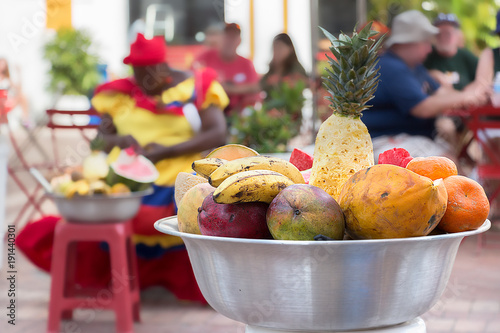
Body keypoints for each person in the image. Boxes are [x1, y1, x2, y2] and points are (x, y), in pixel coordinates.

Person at [16, 34, 229, 303]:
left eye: (146, 74)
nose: (140, 81)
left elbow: (218, 133)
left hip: (179, 179)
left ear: (161, 68)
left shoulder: (197, 86)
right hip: (126, 182)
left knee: (186, 217)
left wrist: (166, 151)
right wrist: (119, 139)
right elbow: (100, 140)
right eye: (136, 74)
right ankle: (120, 282)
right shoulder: (118, 94)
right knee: (103, 217)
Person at [362, 10, 487, 159]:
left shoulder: (414, 67)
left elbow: (441, 93)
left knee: (455, 159)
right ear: (409, 42)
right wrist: (465, 97)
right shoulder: (390, 67)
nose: (429, 49)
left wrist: (471, 94)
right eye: (426, 43)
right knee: (446, 162)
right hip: (384, 140)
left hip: (409, 137)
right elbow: (423, 108)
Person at [194, 23, 259, 115]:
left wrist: (230, 89)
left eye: (233, 37)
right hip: (209, 111)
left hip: (237, 114)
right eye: (227, 37)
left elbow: (256, 87)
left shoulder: (246, 64)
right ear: (221, 38)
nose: (230, 41)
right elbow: (192, 76)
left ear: (239, 41)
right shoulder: (206, 56)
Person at [424, 13, 479, 91]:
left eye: (448, 33)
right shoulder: (426, 55)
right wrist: (430, 74)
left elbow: (484, 80)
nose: (443, 37)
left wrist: (469, 90)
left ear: (457, 35)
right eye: (439, 33)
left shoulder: (467, 57)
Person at [260, 33, 307, 100]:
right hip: (271, 108)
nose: (277, 52)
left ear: (290, 49)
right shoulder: (273, 68)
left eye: (280, 48)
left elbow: (302, 83)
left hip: (291, 108)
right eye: (274, 48)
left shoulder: (296, 67)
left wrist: (280, 81)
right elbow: (261, 85)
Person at [0, 58, 30, 125]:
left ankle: (25, 120)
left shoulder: (7, 79)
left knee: (22, 96)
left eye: (3, 64)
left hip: (6, 104)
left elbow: (19, 89)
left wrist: (19, 73)